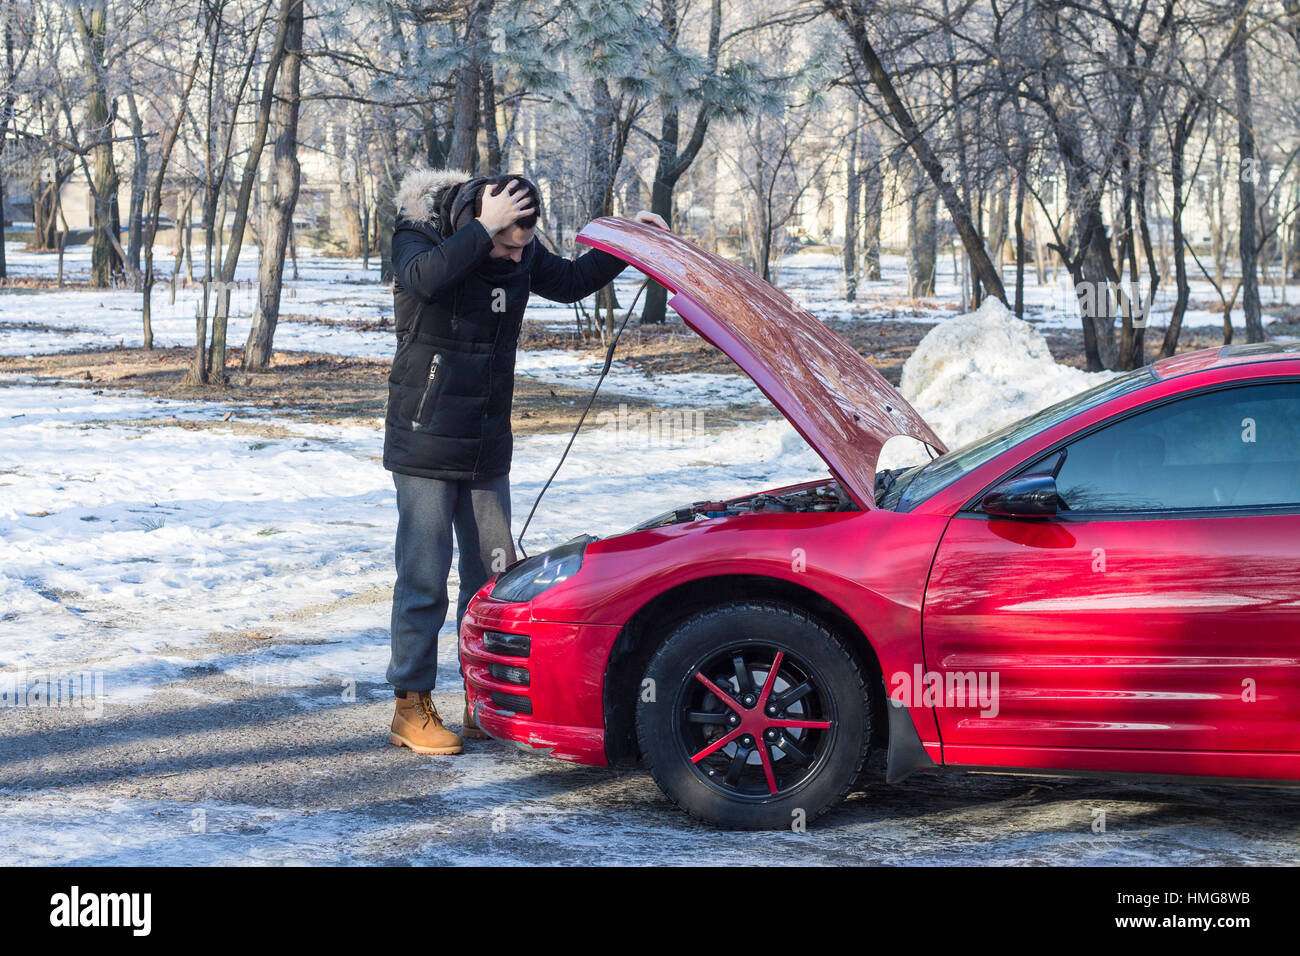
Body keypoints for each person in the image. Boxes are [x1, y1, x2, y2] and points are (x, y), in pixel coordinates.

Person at [383, 166, 667, 755]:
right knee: (423, 579)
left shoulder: (517, 247)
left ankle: (480, 699)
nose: (518, 258)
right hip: (425, 437)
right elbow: (425, 282)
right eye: (507, 243)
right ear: (478, 221)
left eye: (525, 245)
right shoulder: (419, 236)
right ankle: (410, 707)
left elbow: (569, 281)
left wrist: (627, 243)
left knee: (492, 577)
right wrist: (484, 231)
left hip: (487, 441)